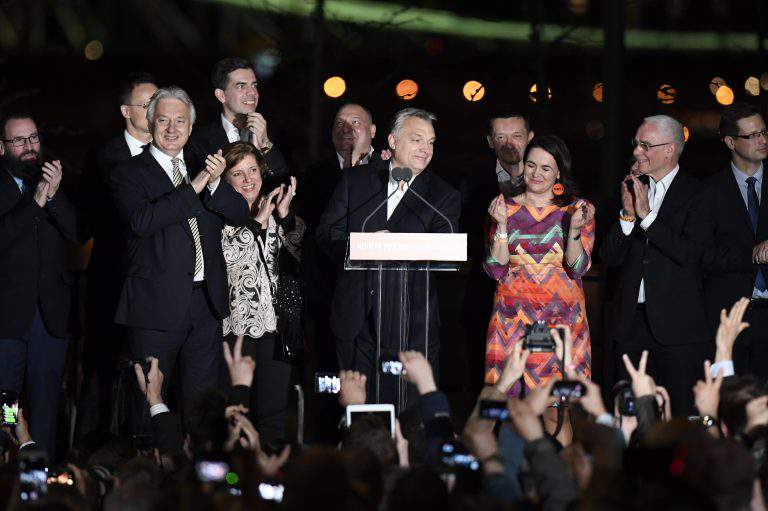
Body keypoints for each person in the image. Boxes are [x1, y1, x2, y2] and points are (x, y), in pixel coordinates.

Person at [109, 86, 250, 433]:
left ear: (191, 126)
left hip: (204, 304)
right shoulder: (128, 173)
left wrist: (214, 184)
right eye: (163, 120)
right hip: (154, 306)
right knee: (149, 402)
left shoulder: (203, 166)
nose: (172, 128)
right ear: (151, 123)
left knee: (202, 405)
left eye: (180, 121)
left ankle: (198, 476)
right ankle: (148, 473)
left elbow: (238, 212)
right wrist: (199, 183)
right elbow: (142, 222)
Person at [316, 107, 460, 407]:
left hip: (410, 323)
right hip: (356, 319)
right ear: (393, 141)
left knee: (406, 415)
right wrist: (360, 245)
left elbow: (445, 245)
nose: (425, 149)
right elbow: (326, 233)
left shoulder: (442, 196)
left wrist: (395, 246)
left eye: (431, 142)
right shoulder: (357, 181)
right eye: (417, 139)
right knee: (354, 410)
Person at [600, 114, 710, 416]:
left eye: (645, 145)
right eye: (636, 144)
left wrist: (647, 216)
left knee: (679, 418)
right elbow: (609, 258)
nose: (637, 152)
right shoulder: (630, 186)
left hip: (678, 329)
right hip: (629, 324)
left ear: (669, 149)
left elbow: (690, 255)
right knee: (629, 414)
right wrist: (626, 216)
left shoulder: (699, 193)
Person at [75, 72, 158, 447]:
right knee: (101, 367)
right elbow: (91, 219)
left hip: (156, 282)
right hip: (112, 278)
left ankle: (145, 442)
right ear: (127, 111)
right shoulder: (102, 158)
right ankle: (90, 443)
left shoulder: (176, 154)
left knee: (151, 368)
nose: (157, 111)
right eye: (147, 104)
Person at [0, 113, 85, 460]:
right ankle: (7, 464)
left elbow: (78, 233)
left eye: (33, 138)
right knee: (5, 400)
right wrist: (34, 202)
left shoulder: (56, 180)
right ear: (2, 147)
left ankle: (45, 471)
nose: (29, 147)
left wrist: (52, 196)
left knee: (47, 397)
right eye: (19, 141)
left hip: (50, 317)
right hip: (6, 318)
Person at [484, 135, 595, 397]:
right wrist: (501, 226)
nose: (536, 174)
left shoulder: (576, 209)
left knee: (560, 409)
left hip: (563, 325)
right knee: (510, 411)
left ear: (559, 172)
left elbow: (578, 267)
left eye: (546, 168)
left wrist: (574, 230)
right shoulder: (503, 208)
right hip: (511, 324)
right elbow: (495, 270)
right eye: (531, 165)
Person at [220, 141, 304, 446]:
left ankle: (270, 479)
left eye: (253, 170)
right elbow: (227, 261)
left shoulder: (272, 209)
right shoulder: (218, 213)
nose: (248, 179)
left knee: (273, 416)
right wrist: (256, 223)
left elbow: (297, 257)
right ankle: (231, 479)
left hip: (277, 329)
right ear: (226, 180)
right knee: (236, 412)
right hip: (238, 331)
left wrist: (284, 217)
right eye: (238, 173)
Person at [301, 103, 381, 375]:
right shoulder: (313, 177)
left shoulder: (392, 171)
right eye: (338, 123)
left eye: (355, 122)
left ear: (372, 131)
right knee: (330, 380)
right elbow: (312, 236)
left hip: (380, 298)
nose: (346, 128)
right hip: (328, 297)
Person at [460, 112, 534, 395]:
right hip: (485, 299)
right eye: (501, 137)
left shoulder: (548, 181)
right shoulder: (473, 184)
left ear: (529, 137)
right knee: (482, 386)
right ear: (490, 141)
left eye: (516, 136)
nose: (509, 144)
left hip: (534, 302)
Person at [703, 102, 768, 379]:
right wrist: (751, 255)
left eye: (764, 132)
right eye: (752, 136)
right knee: (731, 403)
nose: (763, 140)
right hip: (729, 317)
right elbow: (703, 256)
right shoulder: (708, 191)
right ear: (730, 141)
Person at [188, 57, 288, 182]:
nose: (252, 92)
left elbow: (284, 180)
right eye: (241, 86)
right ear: (221, 95)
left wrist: (264, 143)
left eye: (254, 85)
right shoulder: (200, 140)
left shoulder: (270, 130)